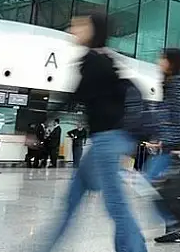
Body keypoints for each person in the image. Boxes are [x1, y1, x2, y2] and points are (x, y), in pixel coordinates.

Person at [36, 13, 147, 252]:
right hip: (106, 141)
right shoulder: (103, 59)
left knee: (115, 204)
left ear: (94, 30)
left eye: (80, 25)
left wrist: (40, 124)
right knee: (73, 198)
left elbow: (72, 98)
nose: (72, 29)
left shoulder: (95, 62)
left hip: (108, 141)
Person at [146, 48, 180, 244]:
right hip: (169, 142)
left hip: (174, 144)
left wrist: (179, 144)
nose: (159, 62)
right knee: (164, 185)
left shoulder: (177, 83)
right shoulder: (170, 82)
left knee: (154, 180)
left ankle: (176, 224)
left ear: (171, 62)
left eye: (163, 59)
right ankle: (175, 228)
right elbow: (167, 115)